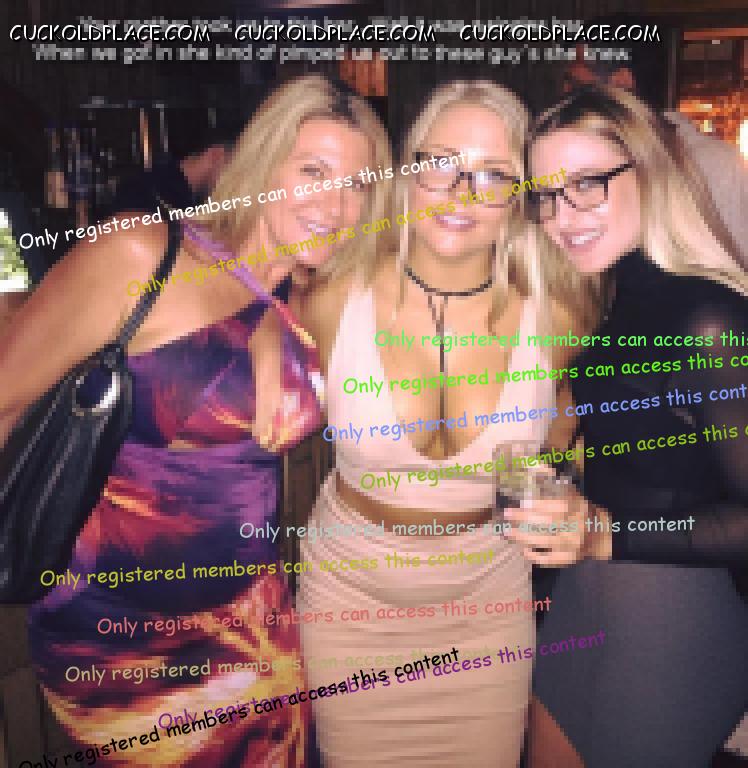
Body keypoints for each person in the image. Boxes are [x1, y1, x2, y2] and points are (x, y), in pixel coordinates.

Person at [0, 74, 389, 766]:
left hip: (254, 623)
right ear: (261, 162)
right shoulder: (142, 254)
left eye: (357, 184)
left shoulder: (308, 295)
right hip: (122, 640)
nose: (335, 204)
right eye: (313, 171)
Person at [294, 80, 581, 767]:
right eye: (441, 163)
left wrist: (564, 493)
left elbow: (563, 429)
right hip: (350, 609)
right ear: (407, 172)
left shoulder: (557, 312)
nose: (460, 192)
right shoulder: (332, 296)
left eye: (492, 174)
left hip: (487, 610)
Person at [519, 84, 748, 768]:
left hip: (675, 616)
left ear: (648, 170)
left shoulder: (708, 319)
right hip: (587, 591)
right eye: (546, 194)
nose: (562, 217)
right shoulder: (612, 293)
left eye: (586, 185)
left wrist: (604, 533)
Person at [561, 15, 748, 270]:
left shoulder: (710, 163)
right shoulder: (582, 161)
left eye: (575, 82)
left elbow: (737, 274)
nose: (565, 92)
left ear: (621, 81)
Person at [105, 112, 243, 215]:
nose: (239, 183)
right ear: (216, 155)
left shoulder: (167, 190)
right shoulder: (147, 195)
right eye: (238, 170)